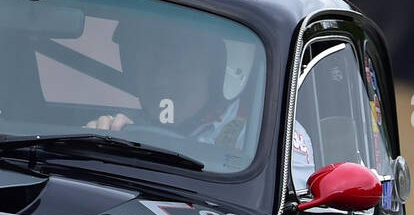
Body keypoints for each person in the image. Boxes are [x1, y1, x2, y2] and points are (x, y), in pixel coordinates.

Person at [86, 16, 316, 189]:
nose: (160, 78)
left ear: (217, 72)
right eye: (149, 62)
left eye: (179, 65)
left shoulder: (278, 138)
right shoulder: (125, 130)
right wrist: (99, 146)